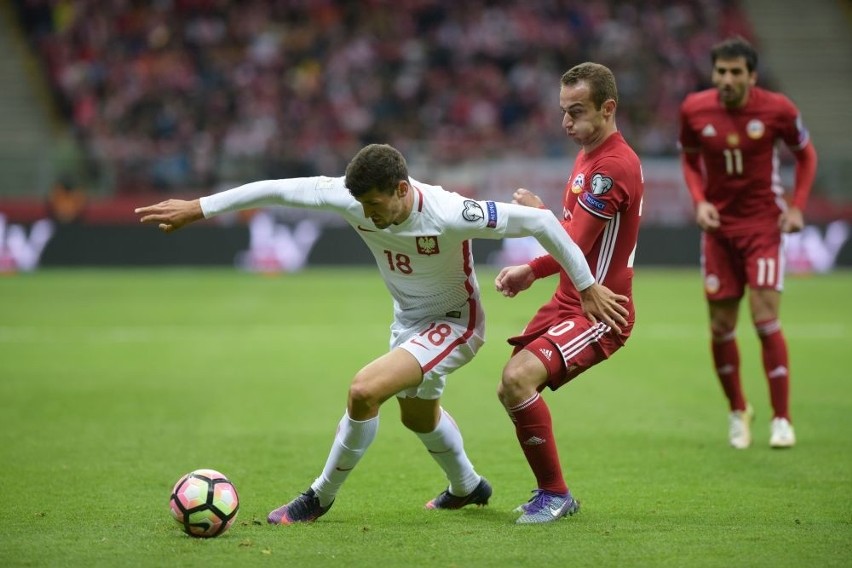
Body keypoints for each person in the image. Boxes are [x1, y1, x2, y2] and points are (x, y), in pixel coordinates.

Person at [135, 143, 629, 524]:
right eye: (361, 206)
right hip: (409, 322)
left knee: (363, 391)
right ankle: (468, 486)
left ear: (400, 189)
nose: (367, 216)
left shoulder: (451, 212)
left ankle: (318, 498)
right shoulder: (353, 199)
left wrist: (585, 287)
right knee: (418, 418)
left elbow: (543, 220)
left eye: (375, 205)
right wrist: (198, 208)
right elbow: (274, 188)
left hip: (456, 324)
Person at [494, 62, 643, 524]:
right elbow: (577, 238)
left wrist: (531, 255)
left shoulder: (612, 167)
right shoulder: (589, 154)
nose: (566, 122)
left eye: (576, 112)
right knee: (510, 385)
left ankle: (555, 495)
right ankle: (551, 493)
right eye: (563, 111)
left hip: (601, 311)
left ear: (608, 108)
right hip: (569, 301)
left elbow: (574, 243)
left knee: (518, 380)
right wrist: (540, 246)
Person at [678, 36, 817, 450]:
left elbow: (806, 155)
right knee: (721, 326)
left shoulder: (778, 109)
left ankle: (781, 419)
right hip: (718, 231)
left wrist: (796, 208)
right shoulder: (693, 109)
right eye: (721, 71)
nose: (726, 79)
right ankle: (738, 410)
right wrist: (700, 201)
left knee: (764, 318)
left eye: (736, 72)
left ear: (751, 76)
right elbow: (688, 158)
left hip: (763, 227)